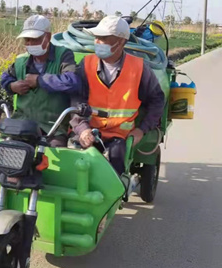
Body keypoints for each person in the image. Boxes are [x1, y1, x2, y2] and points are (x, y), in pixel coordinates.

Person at [70, 15, 165, 176]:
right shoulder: (86, 65)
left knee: (113, 169)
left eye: (104, 38)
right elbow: (76, 100)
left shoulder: (139, 69)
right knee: (73, 164)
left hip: (118, 136)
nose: (97, 42)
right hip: (88, 131)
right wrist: (83, 129)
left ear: (121, 42)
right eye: (96, 38)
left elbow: (157, 100)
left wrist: (141, 130)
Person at [1, 15, 80, 147]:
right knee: (6, 152)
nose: (30, 44)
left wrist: (40, 80)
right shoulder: (21, 61)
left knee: (55, 158)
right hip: (22, 124)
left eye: (35, 39)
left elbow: (72, 81)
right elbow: (5, 77)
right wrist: (11, 86)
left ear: (47, 37)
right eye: (27, 40)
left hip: (53, 127)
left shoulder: (64, 56)